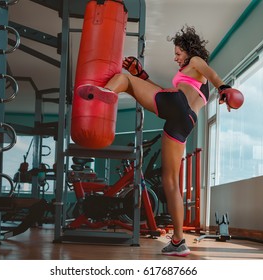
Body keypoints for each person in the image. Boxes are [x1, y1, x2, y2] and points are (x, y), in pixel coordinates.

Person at [77, 25, 243, 257]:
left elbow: (210, 72)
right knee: (171, 182)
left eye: (178, 53)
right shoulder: (196, 81)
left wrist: (224, 87)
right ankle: (178, 240)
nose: (175, 57)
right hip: (184, 122)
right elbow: (162, 94)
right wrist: (142, 77)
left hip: (177, 106)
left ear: (188, 50)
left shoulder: (195, 62)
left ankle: (104, 93)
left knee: (122, 81)